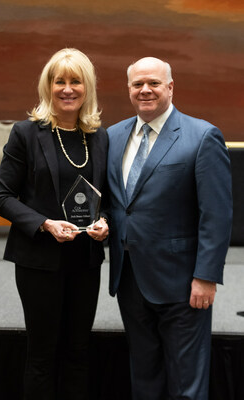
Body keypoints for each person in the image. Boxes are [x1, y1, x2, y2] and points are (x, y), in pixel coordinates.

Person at [107, 57, 232, 400]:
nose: (145, 90)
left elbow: (216, 215)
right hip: (130, 277)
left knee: (186, 383)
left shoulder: (202, 136)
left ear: (170, 87)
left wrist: (206, 276)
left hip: (183, 281)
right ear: (129, 89)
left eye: (154, 83)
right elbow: (114, 203)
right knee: (144, 374)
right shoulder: (113, 136)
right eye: (137, 84)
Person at [0, 48, 109, 400]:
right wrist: (44, 223)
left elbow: (111, 199)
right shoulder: (26, 133)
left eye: (76, 81)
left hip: (85, 261)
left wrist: (106, 221)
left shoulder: (100, 136)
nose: (67, 89)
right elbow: (2, 197)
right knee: (42, 355)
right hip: (39, 262)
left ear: (87, 88)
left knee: (79, 352)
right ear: (48, 86)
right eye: (60, 81)